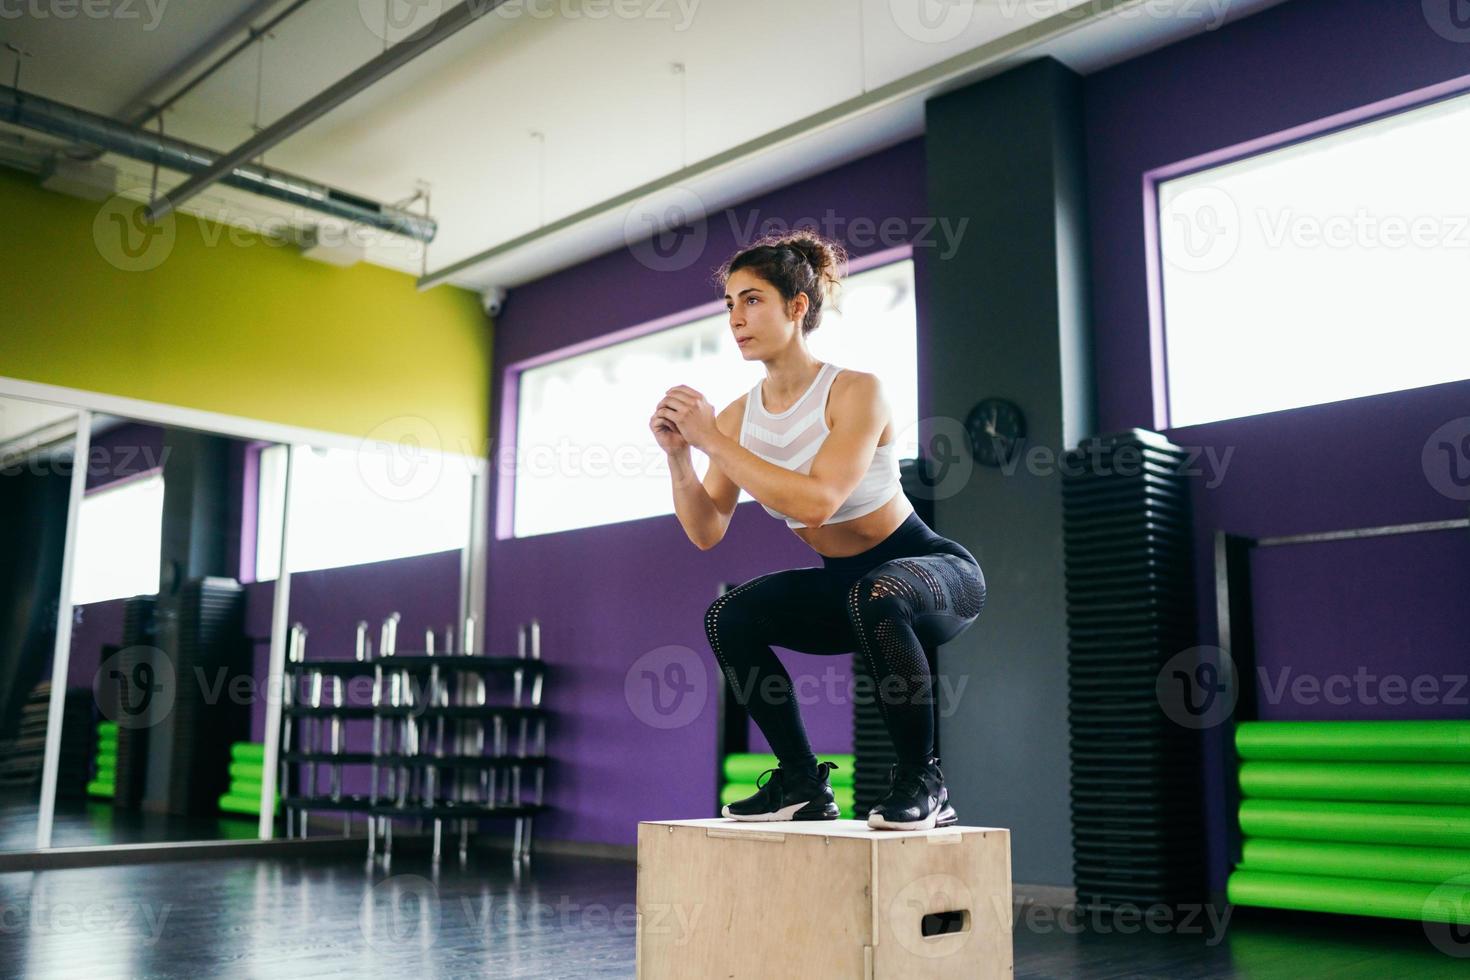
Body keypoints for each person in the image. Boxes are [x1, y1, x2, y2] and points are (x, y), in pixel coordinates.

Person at [648, 229, 986, 831]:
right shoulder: (737, 418)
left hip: (932, 572)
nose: (736, 318)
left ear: (796, 307)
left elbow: (818, 504)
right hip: (847, 587)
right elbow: (706, 531)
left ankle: (924, 779)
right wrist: (680, 456)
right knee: (730, 616)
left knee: (876, 592)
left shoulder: (856, 390)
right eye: (729, 303)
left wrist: (713, 442)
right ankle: (801, 781)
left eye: (752, 300)